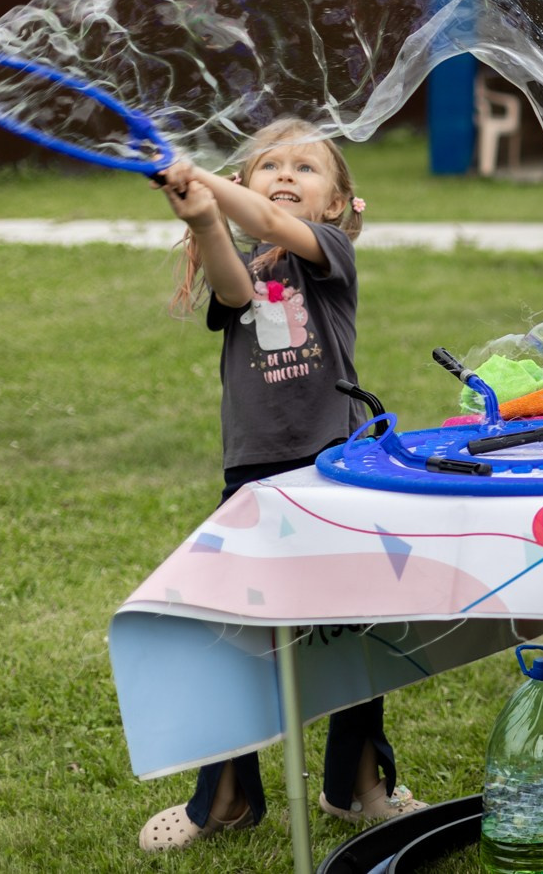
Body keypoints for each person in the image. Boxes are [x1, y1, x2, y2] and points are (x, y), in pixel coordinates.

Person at [137, 119, 426, 851]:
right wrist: (204, 218)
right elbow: (234, 283)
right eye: (270, 164)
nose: (286, 175)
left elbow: (266, 218)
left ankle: (357, 784)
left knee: (355, 627)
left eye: (307, 167)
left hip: (332, 469)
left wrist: (213, 187)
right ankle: (226, 794)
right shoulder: (244, 255)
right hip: (254, 477)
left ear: (337, 205)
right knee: (231, 631)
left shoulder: (328, 254)